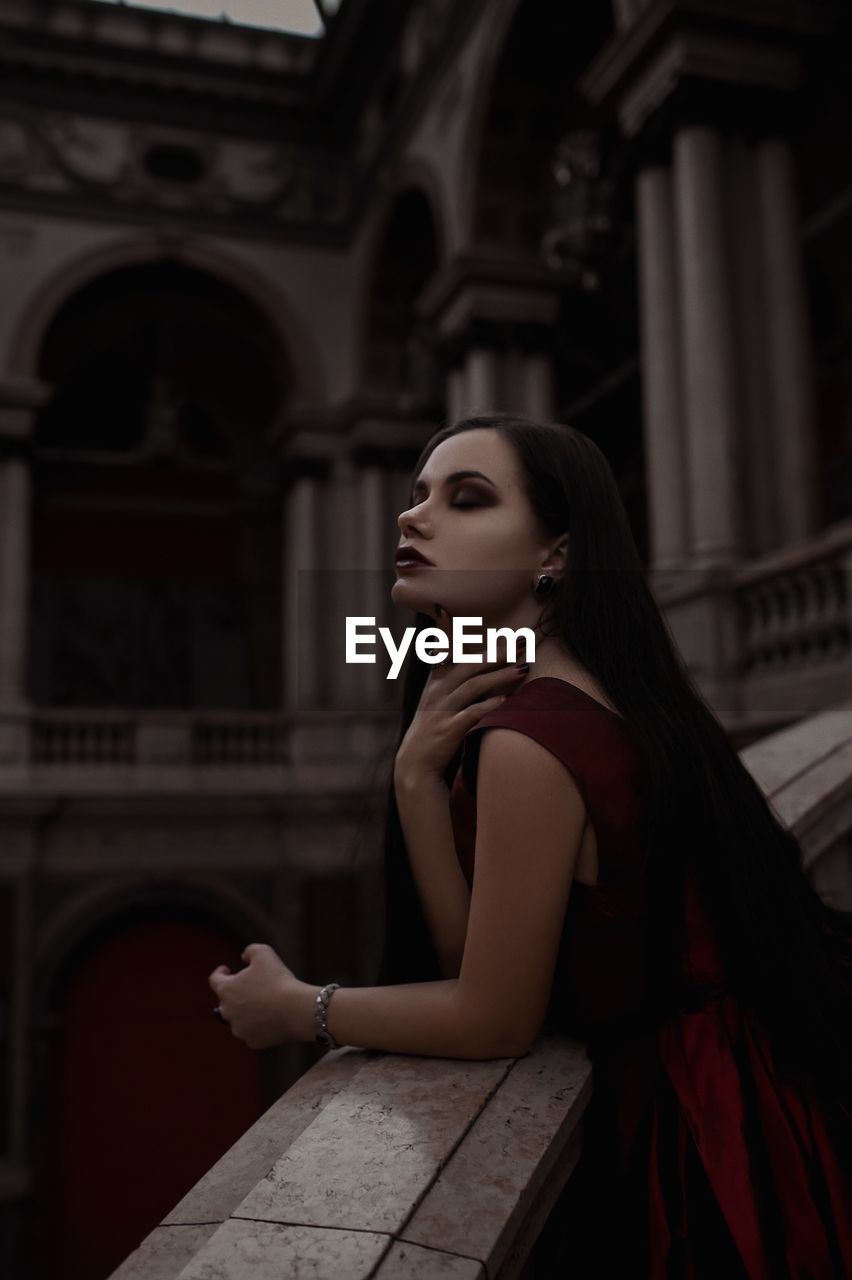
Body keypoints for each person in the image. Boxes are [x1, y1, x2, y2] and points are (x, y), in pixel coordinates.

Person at [210, 413, 851, 1278]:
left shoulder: (533, 735)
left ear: (556, 554)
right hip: (740, 1088)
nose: (414, 517)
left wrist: (299, 1008)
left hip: (705, 1133)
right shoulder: (570, 691)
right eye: (418, 495)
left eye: (466, 499)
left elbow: (493, 1019)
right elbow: (478, 954)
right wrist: (416, 783)